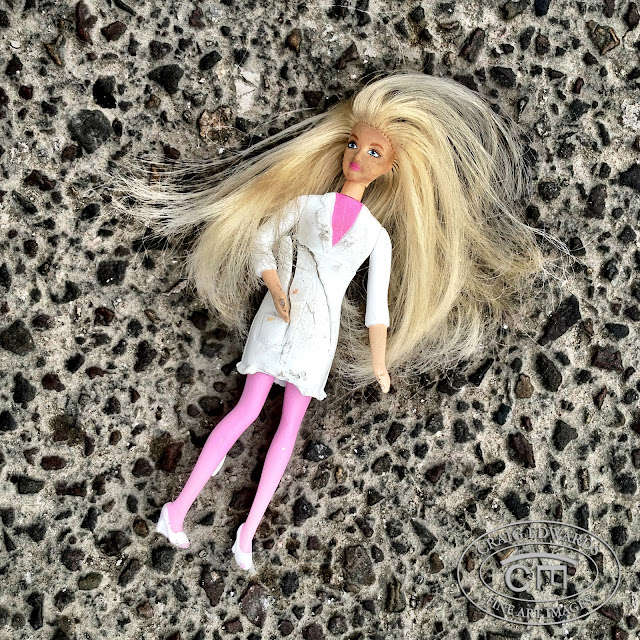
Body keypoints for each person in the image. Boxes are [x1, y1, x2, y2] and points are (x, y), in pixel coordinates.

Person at [109, 72, 562, 571]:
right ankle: (177, 509)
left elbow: (376, 308)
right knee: (246, 410)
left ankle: (247, 533)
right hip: (278, 315)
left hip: (318, 336)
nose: (358, 157)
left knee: (288, 428)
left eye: (373, 152)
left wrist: (380, 363)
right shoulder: (306, 206)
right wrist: (273, 283)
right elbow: (262, 241)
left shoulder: (376, 237)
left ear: (390, 168)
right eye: (353, 144)